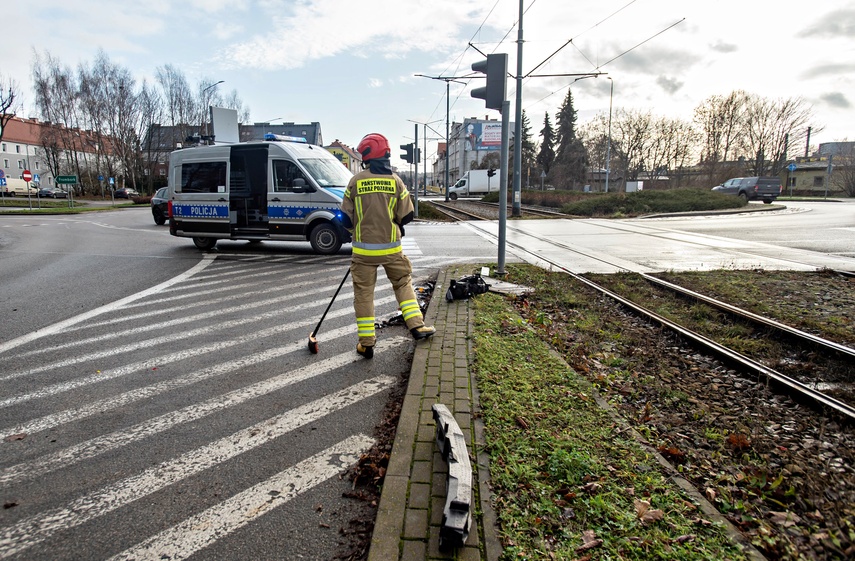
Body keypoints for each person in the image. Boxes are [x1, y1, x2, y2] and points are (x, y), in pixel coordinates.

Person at [340, 133, 436, 359]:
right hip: (392, 250)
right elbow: (409, 215)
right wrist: (393, 222)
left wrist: (356, 232)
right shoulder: (396, 181)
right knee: (403, 284)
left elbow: (345, 218)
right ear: (386, 154)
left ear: (365, 156)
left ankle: (367, 344)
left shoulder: (355, 181)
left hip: (363, 252)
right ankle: (416, 326)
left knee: (364, 294)